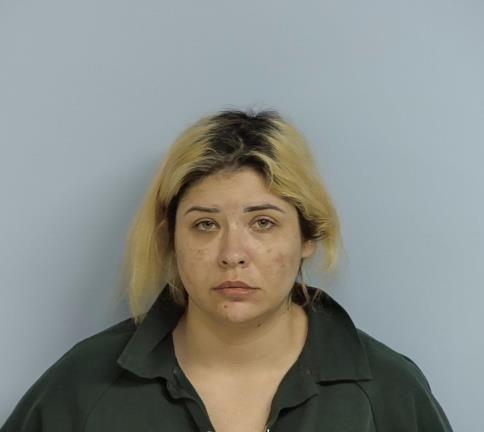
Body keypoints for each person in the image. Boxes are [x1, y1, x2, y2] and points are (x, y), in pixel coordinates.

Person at [1, 108, 453, 432]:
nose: (232, 253)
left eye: (263, 223)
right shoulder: (84, 385)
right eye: (205, 224)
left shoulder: (387, 391)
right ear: (171, 240)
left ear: (307, 238)